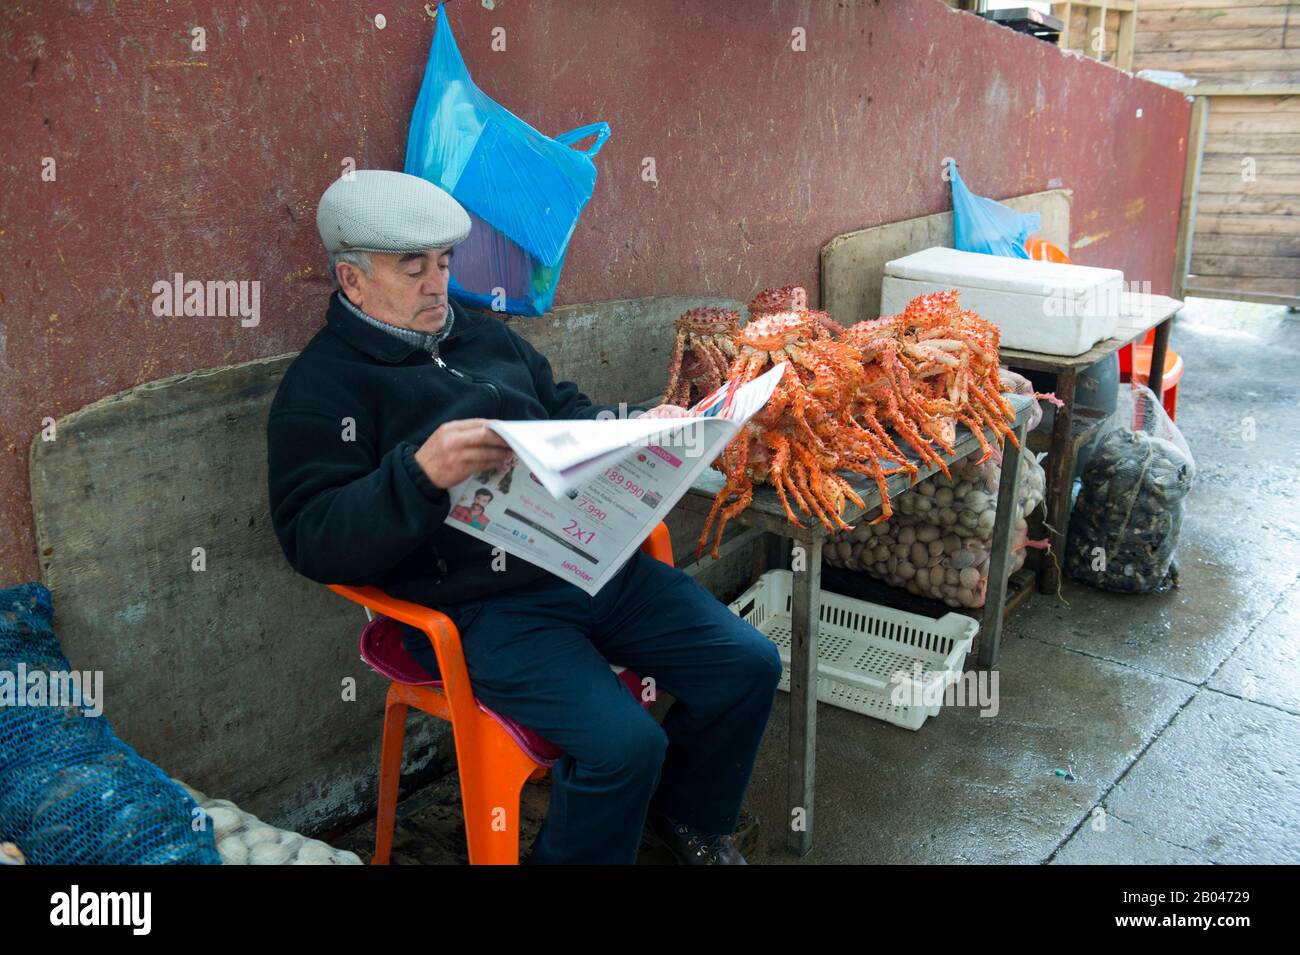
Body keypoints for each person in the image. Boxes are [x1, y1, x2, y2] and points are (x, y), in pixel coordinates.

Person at [266, 169, 782, 865]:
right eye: (411, 269)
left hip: (585, 559)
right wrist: (420, 476)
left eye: (444, 264)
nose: (436, 285)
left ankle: (687, 815)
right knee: (626, 745)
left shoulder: (486, 339)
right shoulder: (321, 390)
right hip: (479, 609)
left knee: (749, 663)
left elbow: (564, 411)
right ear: (353, 282)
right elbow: (312, 537)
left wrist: (640, 427)